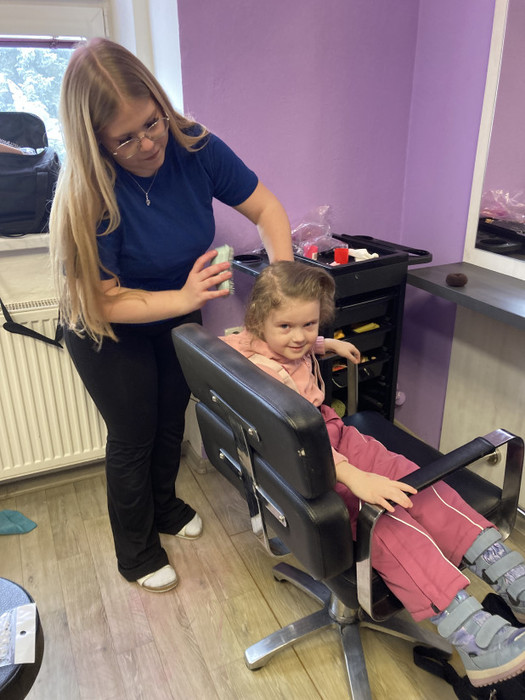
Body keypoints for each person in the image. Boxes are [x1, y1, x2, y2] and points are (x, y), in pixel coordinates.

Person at [49, 38, 293, 594]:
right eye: (125, 138)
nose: (147, 143)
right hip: (107, 326)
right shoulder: (90, 190)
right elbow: (99, 300)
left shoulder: (194, 145)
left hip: (172, 311)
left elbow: (266, 208)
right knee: (133, 433)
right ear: (95, 141)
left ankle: (165, 508)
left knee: (170, 418)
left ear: (161, 104)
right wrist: (185, 299)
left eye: (151, 123)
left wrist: (282, 284)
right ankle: (135, 552)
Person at [221, 260, 525, 689]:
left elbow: (293, 340)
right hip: (308, 459)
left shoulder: (272, 341)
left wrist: (326, 344)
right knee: (383, 520)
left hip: (332, 432)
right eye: (286, 326)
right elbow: (297, 438)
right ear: (258, 320)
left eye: (310, 324)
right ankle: (475, 639)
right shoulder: (263, 374)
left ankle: (508, 573)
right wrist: (353, 478)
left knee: (417, 482)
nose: (299, 337)